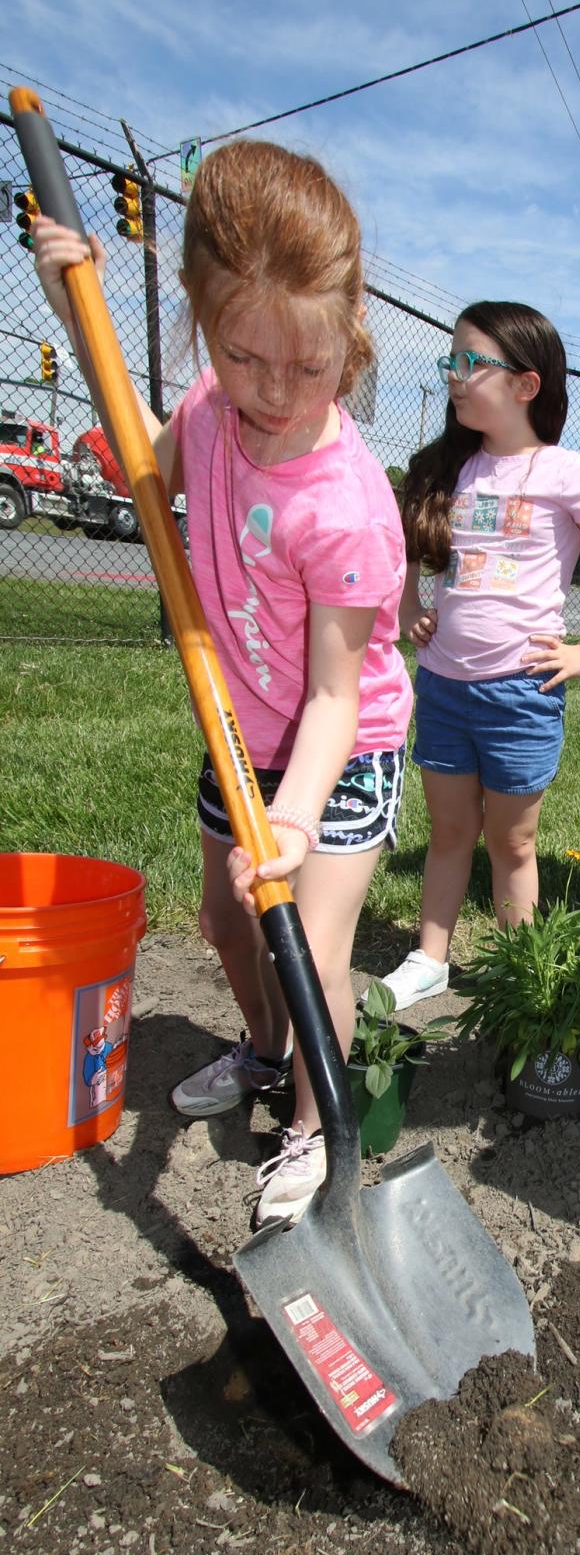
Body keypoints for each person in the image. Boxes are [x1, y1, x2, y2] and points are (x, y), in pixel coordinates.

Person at [34, 142, 413, 1226]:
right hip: (237, 725)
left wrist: (292, 823)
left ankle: (311, 1130)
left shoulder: (343, 504)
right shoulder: (209, 404)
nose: (280, 393)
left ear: (350, 333)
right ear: (205, 325)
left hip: (340, 755)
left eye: (313, 363)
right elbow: (145, 454)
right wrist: (79, 316)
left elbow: (338, 698)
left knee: (313, 947)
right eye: (249, 360)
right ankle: (261, 1051)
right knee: (221, 918)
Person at [379, 302, 580, 1008]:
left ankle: (516, 972)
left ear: (527, 385)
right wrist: (411, 602)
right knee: (448, 831)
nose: (456, 374)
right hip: (443, 685)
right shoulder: (447, 468)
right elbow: (409, 549)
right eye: (453, 360)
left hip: (519, 695)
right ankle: (429, 957)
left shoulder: (564, 471)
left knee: (514, 844)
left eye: (473, 362)